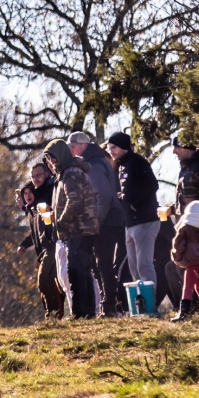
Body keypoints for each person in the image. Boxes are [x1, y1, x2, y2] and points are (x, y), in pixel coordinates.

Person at [68, 132, 124, 317]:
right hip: (107, 219)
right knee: (100, 264)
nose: (70, 150)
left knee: (103, 263)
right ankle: (108, 306)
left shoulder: (93, 164)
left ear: (83, 145)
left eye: (72, 146)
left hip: (106, 221)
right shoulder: (95, 161)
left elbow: (104, 196)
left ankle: (109, 307)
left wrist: (95, 223)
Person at [44, 139, 100, 319]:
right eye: (49, 161)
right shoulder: (66, 173)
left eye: (53, 159)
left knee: (76, 271)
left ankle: (81, 312)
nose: (52, 163)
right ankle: (86, 311)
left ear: (60, 156)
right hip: (79, 229)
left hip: (79, 229)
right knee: (80, 270)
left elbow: (74, 201)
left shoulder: (70, 173)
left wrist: (59, 222)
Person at [107, 132, 160, 287]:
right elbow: (132, 187)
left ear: (124, 147)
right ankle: (141, 305)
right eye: (110, 148)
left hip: (145, 221)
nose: (111, 151)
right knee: (134, 268)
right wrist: (123, 197)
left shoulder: (137, 162)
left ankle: (150, 306)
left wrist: (135, 205)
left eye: (114, 147)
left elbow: (152, 185)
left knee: (144, 265)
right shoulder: (121, 165)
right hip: (129, 223)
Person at [166, 136, 199, 308]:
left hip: (197, 233)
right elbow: (185, 199)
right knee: (175, 268)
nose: (174, 151)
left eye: (177, 147)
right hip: (186, 230)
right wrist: (172, 209)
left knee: (184, 267)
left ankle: (193, 308)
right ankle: (192, 307)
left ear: (188, 147)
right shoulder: (185, 169)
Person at [18, 181, 63, 319]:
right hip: (44, 253)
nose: (28, 196)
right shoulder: (31, 212)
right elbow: (34, 234)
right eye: (24, 193)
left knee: (44, 281)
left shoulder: (41, 208)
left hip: (51, 249)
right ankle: (53, 316)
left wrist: (41, 257)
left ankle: (54, 315)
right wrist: (24, 245)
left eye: (30, 192)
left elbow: (49, 230)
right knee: (48, 285)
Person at [169, 201, 199, 322]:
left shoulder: (185, 228)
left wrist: (176, 257)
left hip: (193, 264)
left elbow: (178, 245)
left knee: (187, 287)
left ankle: (183, 314)